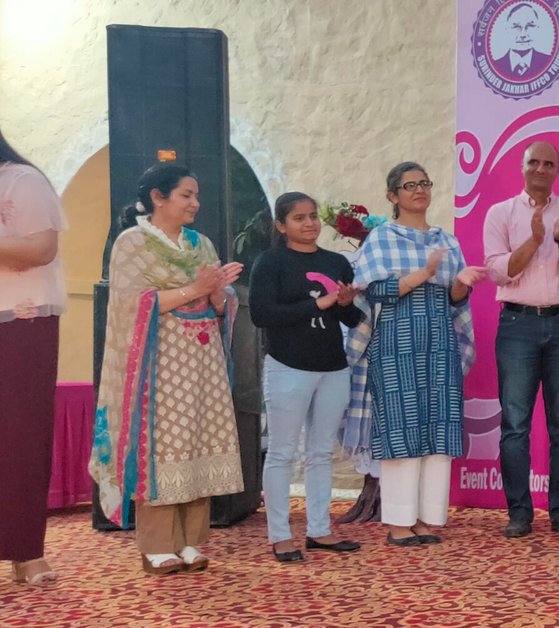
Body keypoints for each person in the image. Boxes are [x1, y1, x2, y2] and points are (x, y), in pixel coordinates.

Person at [91, 164, 245, 574]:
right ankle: (157, 544)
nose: (195, 203)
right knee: (163, 446)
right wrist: (195, 288)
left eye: (196, 196)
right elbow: (130, 304)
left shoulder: (201, 243)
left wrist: (218, 293)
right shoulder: (132, 243)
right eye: (186, 195)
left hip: (204, 360)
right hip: (158, 362)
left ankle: (191, 541)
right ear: (158, 197)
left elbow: (221, 306)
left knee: (202, 439)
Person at [347, 162, 485, 547]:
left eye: (424, 183)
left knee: (440, 426)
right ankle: (398, 522)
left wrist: (462, 283)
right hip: (396, 342)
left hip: (440, 341)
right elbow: (373, 291)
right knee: (401, 426)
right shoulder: (381, 238)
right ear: (393, 195)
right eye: (409, 186)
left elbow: (455, 300)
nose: (419, 190)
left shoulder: (446, 240)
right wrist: (423, 274)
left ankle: (426, 518)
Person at [483, 140, 559, 539]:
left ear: (558, 170)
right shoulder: (500, 213)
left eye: (549, 164)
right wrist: (533, 240)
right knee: (515, 425)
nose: (541, 169)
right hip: (518, 324)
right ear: (523, 166)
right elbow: (498, 272)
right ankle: (519, 512)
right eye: (535, 162)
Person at [248, 192, 365, 563]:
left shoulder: (335, 262)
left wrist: (344, 304)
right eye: (299, 218)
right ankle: (280, 535)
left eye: (313, 216)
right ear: (281, 225)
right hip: (288, 366)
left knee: (321, 452)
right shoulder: (270, 262)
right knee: (282, 452)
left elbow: (353, 319)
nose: (310, 223)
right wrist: (317, 303)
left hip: (333, 367)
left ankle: (319, 530)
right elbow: (262, 315)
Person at [0, 130, 66, 586]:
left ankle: (25, 551)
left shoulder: (22, 180)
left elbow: (42, 249)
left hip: (20, 321)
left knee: (19, 437)